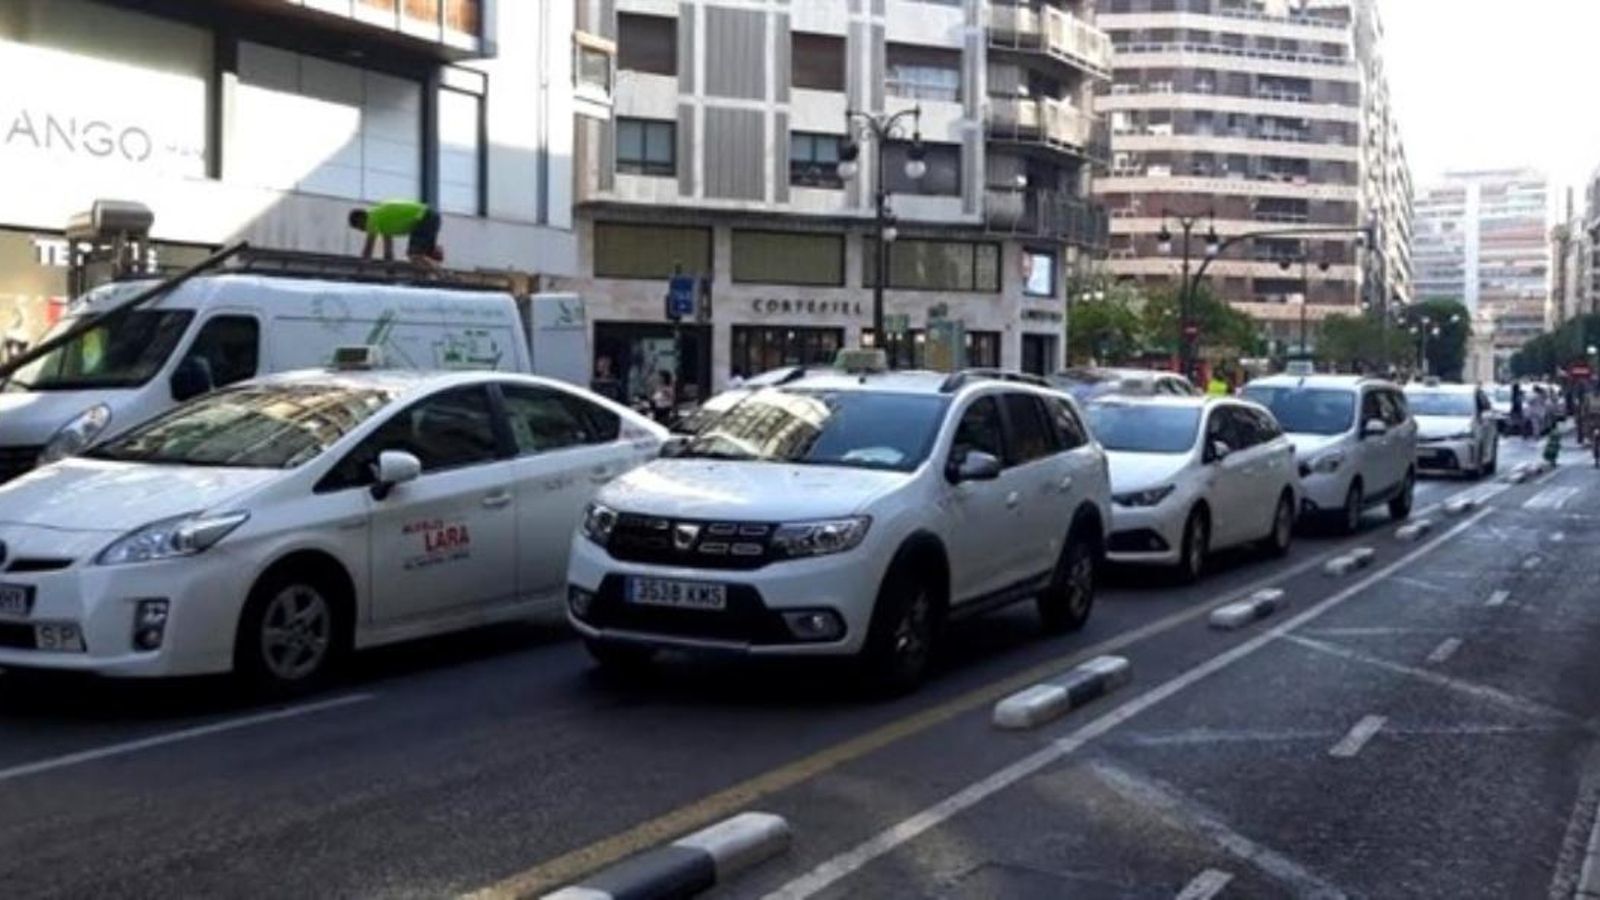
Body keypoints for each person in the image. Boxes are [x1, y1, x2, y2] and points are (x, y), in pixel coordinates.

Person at [349, 200, 443, 271]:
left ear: (361, 219)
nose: (363, 230)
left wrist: (360, 269)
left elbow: (368, 248)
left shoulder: (371, 219)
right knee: (422, 258)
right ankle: (435, 258)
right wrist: (390, 267)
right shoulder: (381, 218)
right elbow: (388, 248)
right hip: (431, 216)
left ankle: (442, 273)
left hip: (423, 218)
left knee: (415, 256)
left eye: (360, 227)